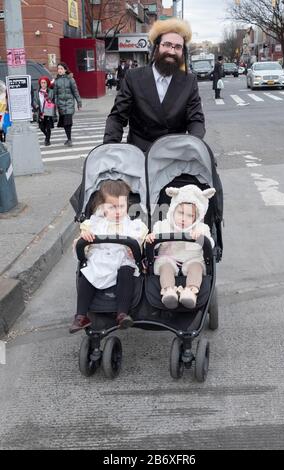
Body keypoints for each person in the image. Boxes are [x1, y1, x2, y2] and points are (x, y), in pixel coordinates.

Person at [103, 18, 206, 153]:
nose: (172, 51)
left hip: (176, 157)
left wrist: (195, 145)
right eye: (167, 44)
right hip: (140, 156)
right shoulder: (133, 77)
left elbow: (196, 120)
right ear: (157, 47)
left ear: (182, 51)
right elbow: (117, 117)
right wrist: (108, 150)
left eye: (178, 47)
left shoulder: (189, 81)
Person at [69, 180, 149, 333]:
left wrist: (137, 248)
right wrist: (85, 239)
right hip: (101, 260)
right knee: (86, 274)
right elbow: (82, 247)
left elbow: (141, 241)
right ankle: (81, 316)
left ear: (127, 205)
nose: (118, 211)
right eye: (112, 207)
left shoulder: (133, 226)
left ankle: (122, 313)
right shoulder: (95, 225)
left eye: (121, 206)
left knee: (127, 271)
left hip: (122, 260)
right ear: (103, 207)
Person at [146, 185, 215, 310]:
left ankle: (190, 292)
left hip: (192, 259)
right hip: (169, 258)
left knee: (197, 268)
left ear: (196, 217)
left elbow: (210, 244)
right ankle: (168, 291)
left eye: (190, 216)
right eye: (181, 213)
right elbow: (154, 245)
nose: (184, 218)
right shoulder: (163, 226)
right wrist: (152, 238)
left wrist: (200, 237)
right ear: (173, 210)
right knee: (165, 268)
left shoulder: (201, 229)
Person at [53, 62, 82, 147]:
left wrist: (79, 103)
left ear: (65, 70)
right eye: (58, 69)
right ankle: (68, 138)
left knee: (68, 122)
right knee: (65, 123)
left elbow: (75, 92)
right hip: (61, 105)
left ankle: (69, 139)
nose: (60, 70)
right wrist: (55, 104)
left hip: (69, 104)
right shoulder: (56, 81)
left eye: (61, 69)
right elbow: (55, 94)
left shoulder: (70, 79)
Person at [32, 76, 55, 146]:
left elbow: (54, 100)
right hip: (40, 112)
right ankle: (46, 136)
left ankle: (47, 140)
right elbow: (34, 101)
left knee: (48, 127)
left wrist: (50, 101)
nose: (43, 84)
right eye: (42, 83)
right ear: (40, 84)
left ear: (47, 84)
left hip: (48, 111)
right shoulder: (37, 92)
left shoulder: (51, 92)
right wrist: (36, 105)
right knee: (42, 127)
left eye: (44, 83)